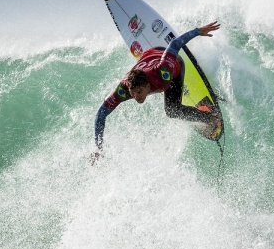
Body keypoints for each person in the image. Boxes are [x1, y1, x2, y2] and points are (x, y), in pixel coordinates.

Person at [93, 21, 221, 156]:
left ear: (148, 86)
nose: (136, 97)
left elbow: (175, 44)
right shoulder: (124, 90)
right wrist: (98, 147)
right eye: (133, 93)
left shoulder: (162, 71)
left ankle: (211, 117)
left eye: (139, 92)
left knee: (172, 110)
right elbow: (101, 114)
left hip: (174, 67)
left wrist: (198, 31)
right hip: (148, 56)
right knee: (166, 106)